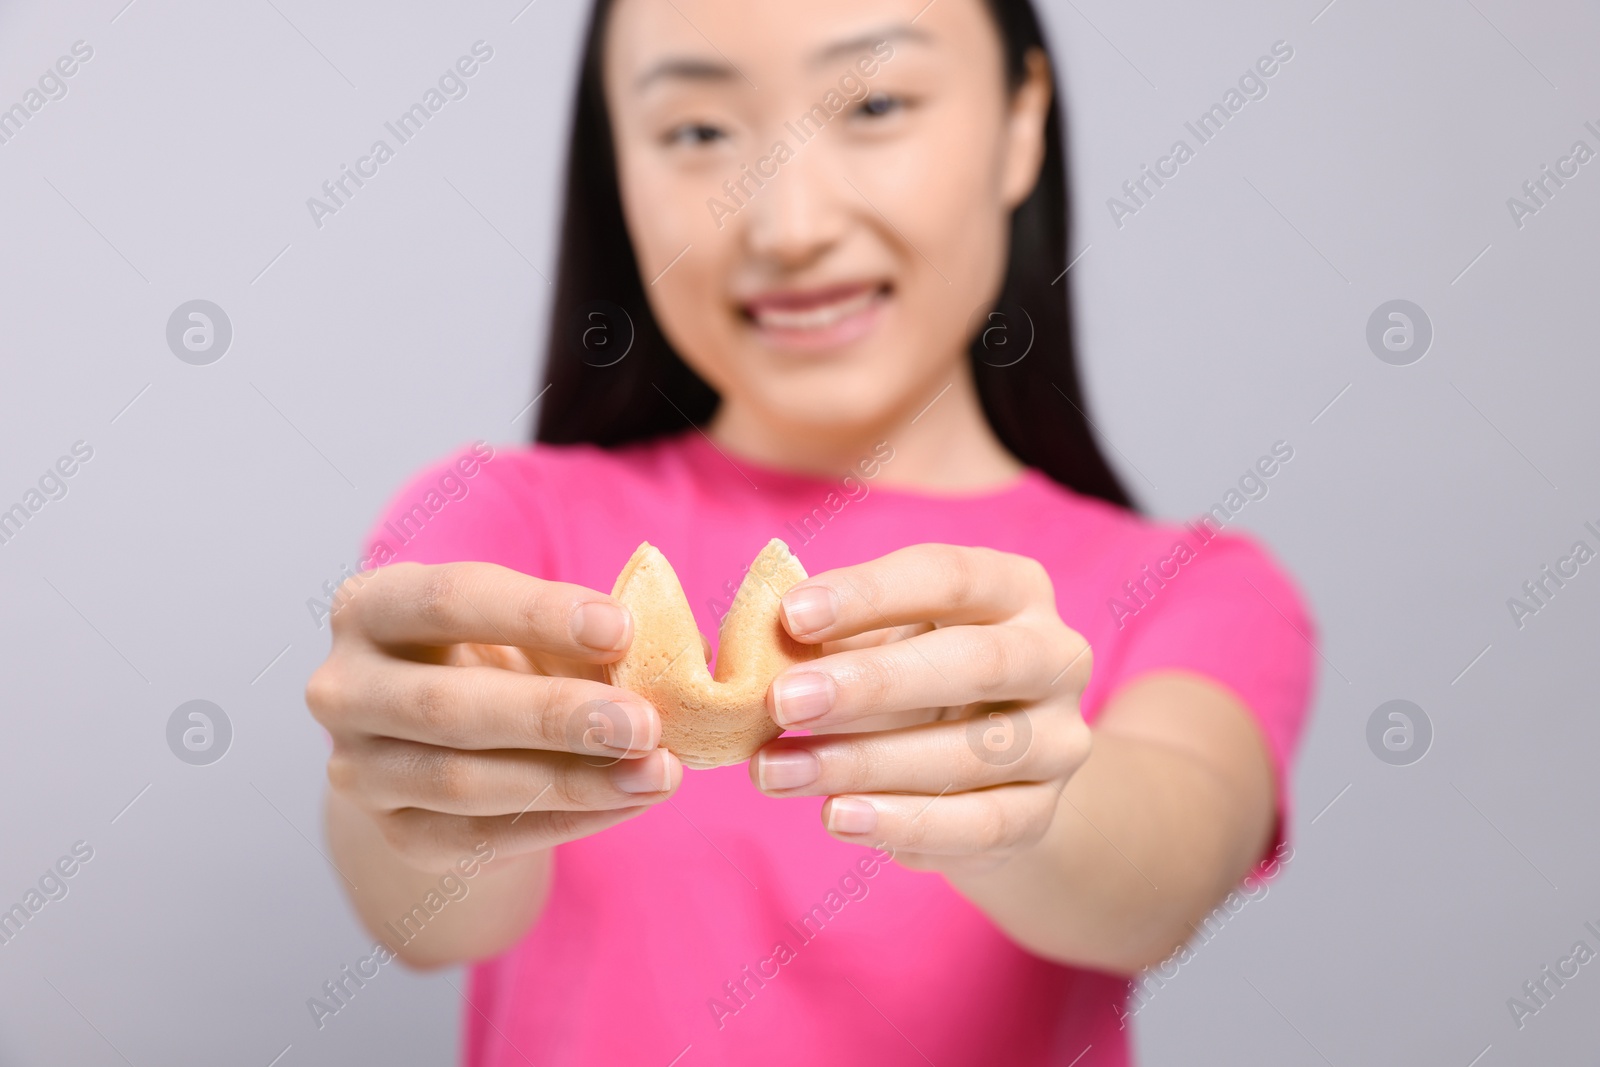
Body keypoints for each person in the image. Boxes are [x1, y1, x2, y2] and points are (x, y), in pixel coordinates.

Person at [305, 0, 1316, 1062]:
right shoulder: (498, 526)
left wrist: (1024, 790)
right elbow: (430, 914)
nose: (787, 226)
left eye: (875, 102)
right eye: (696, 131)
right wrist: (413, 785)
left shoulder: (1191, 589)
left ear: (1021, 124)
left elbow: (1159, 883)